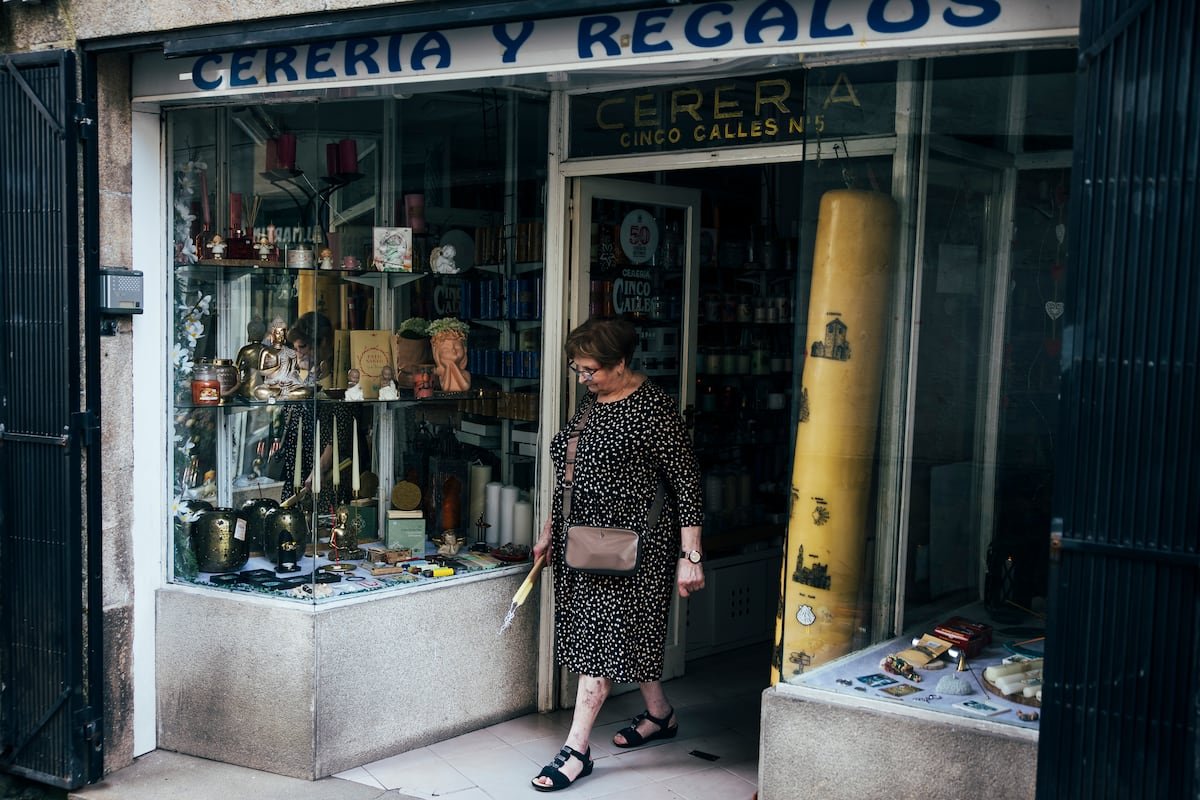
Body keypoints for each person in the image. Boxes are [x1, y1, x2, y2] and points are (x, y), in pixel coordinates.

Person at [530, 316, 705, 793]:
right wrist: (550, 529)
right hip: (581, 541)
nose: (584, 379)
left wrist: (691, 554)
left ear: (621, 362)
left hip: (632, 547)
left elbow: (686, 483)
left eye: (591, 370)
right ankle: (660, 715)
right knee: (616, 636)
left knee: (600, 643)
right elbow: (572, 470)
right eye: (577, 370)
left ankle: (576, 751)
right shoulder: (593, 402)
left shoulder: (653, 408)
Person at [277, 313, 355, 509]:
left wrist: (318, 470)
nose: (298, 353)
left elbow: (339, 432)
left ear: (323, 344)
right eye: (295, 348)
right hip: (299, 472)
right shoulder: (309, 380)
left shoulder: (336, 382)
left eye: (302, 347)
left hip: (321, 478)